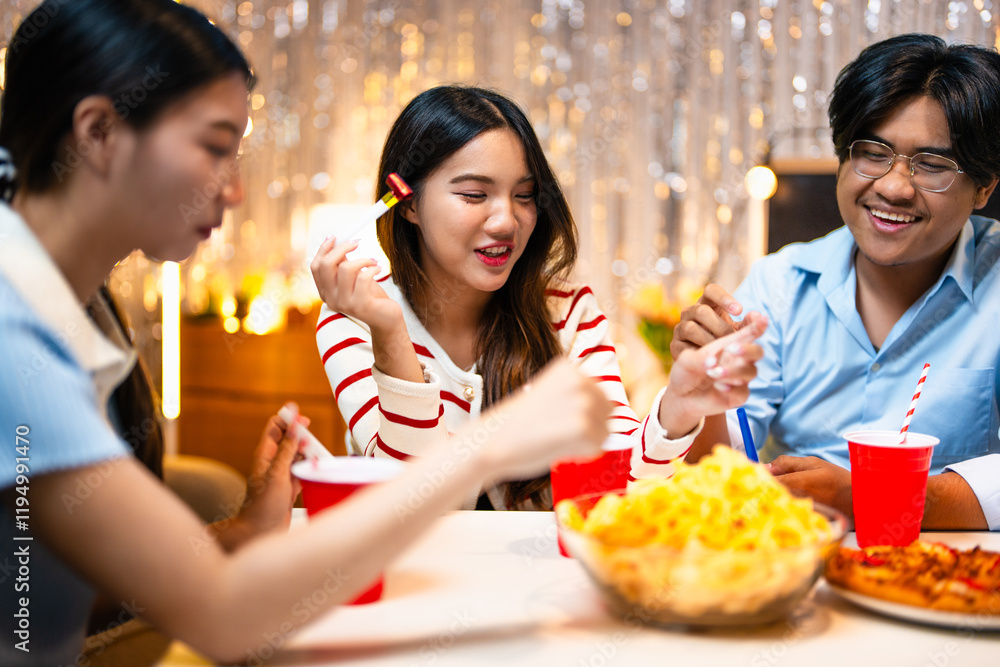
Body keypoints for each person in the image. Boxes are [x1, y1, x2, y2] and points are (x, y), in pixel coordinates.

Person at [0, 1, 612, 664]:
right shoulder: (14, 331)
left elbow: (66, 588)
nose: (235, 191)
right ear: (97, 132)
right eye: (214, 147)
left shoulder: (73, 304)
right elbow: (220, 613)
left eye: (523, 194)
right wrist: (493, 444)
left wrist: (242, 532)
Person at [312, 85, 767, 510]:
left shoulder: (568, 312)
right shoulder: (354, 320)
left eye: (524, 195)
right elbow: (409, 503)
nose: (506, 221)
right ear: (408, 202)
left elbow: (618, 488)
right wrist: (391, 333)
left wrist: (679, 408)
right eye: (474, 194)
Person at [671, 33, 1000, 531]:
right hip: (804, 564)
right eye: (873, 152)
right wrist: (700, 396)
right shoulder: (779, 286)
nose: (893, 187)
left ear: (984, 188)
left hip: (952, 572)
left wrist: (877, 495)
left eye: (932, 165)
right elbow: (720, 471)